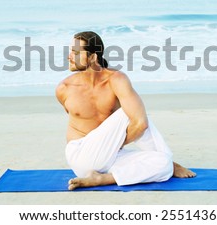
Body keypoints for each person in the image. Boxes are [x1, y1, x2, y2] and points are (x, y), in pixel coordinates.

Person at [55, 31, 196, 190]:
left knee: (163, 164)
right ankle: (172, 162)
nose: (69, 56)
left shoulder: (115, 80)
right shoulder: (64, 89)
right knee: (130, 114)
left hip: (108, 156)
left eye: (75, 52)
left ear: (93, 57)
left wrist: (114, 144)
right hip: (81, 156)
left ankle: (103, 179)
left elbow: (139, 125)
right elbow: (140, 123)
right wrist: (116, 142)